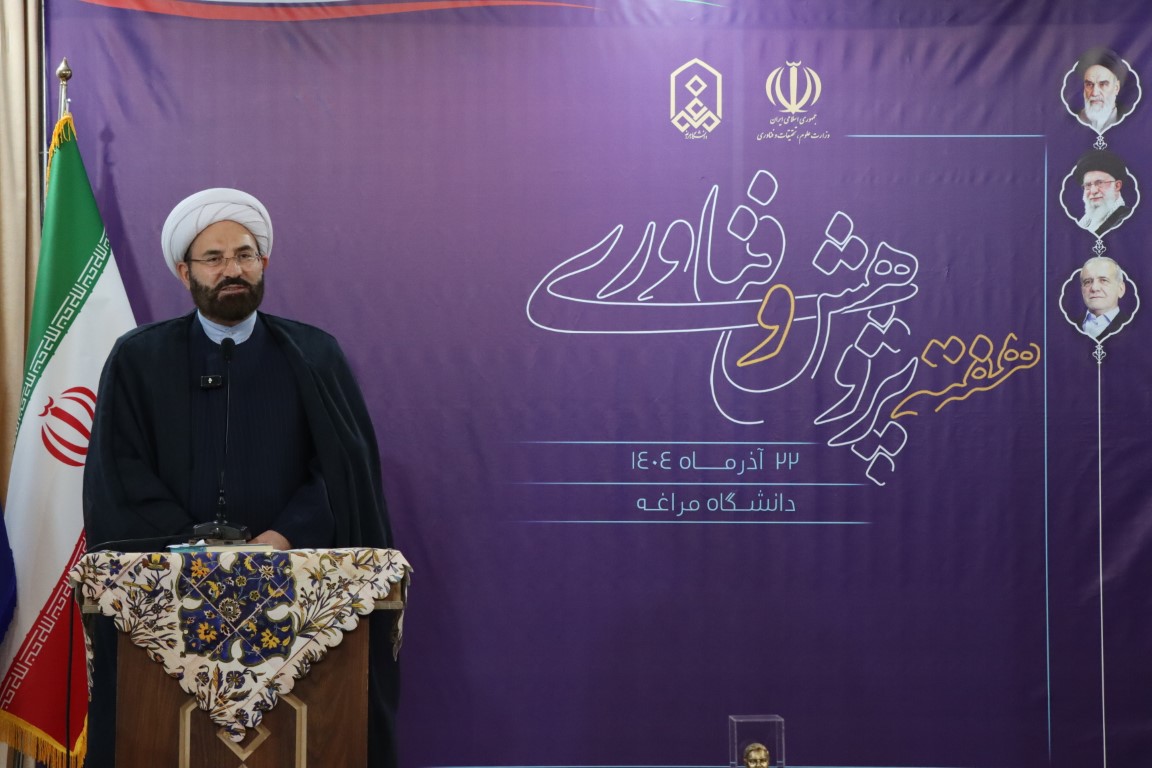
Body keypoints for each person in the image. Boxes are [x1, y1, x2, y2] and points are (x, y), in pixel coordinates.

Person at [82, 188, 398, 766]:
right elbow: (119, 473)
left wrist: (278, 539)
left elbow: (342, 472)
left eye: (244, 255)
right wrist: (194, 546)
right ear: (185, 272)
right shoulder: (138, 358)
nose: (232, 270)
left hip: (296, 589)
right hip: (172, 588)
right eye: (214, 258)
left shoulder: (313, 354)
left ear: (264, 262)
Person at [1073, 149, 1133, 236]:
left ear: (1117, 186)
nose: (1093, 191)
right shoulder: (1085, 222)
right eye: (1088, 185)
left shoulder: (1129, 219)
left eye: (1100, 183)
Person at [1074, 47, 1131, 133]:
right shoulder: (1071, 120)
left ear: (1116, 88)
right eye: (1089, 84)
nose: (1094, 93)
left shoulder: (1133, 119)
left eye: (1103, 84)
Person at [1074, 256, 1129, 341]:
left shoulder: (1137, 327)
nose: (1094, 288)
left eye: (1103, 280)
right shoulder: (1067, 326)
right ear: (1082, 290)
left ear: (1120, 289)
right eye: (1087, 282)